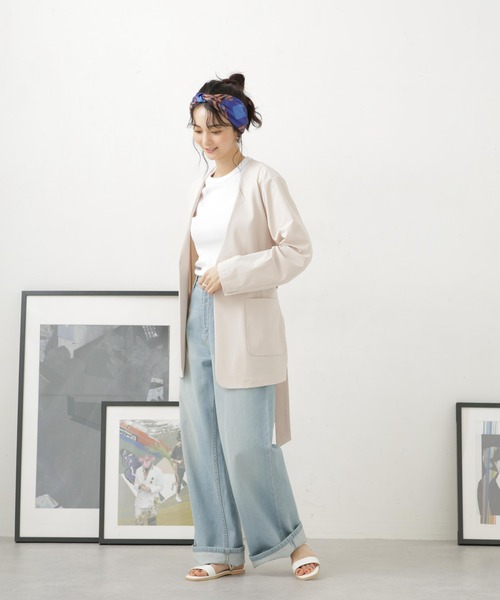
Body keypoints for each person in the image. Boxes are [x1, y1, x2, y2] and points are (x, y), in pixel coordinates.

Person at [179, 73, 320, 581]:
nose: (206, 140)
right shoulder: (200, 185)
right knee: (203, 443)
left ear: (239, 128)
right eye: (198, 130)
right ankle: (220, 550)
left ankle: (293, 542)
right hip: (197, 316)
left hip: (241, 318)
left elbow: (297, 250)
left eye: (216, 130)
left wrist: (232, 273)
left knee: (247, 443)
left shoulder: (263, 180)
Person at [133, 454, 163, 525]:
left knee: (152, 524)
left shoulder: (158, 471)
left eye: (148, 458)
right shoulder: (138, 470)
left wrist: (149, 489)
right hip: (140, 501)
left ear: (151, 459)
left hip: (152, 501)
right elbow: (136, 484)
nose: (146, 459)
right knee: (139, 524)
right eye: (144, 458)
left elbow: (161, 486)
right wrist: (139, 486)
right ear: (142, 459)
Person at [169, 432, 186, 503]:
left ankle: (174, 483)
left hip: (185, 465)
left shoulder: (187, 445)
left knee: (178, 480)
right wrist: (178, 461)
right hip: (178, 466)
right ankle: (177, 496)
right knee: (179, 482)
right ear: (179, 439)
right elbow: (171, 458)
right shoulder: (176, 447)